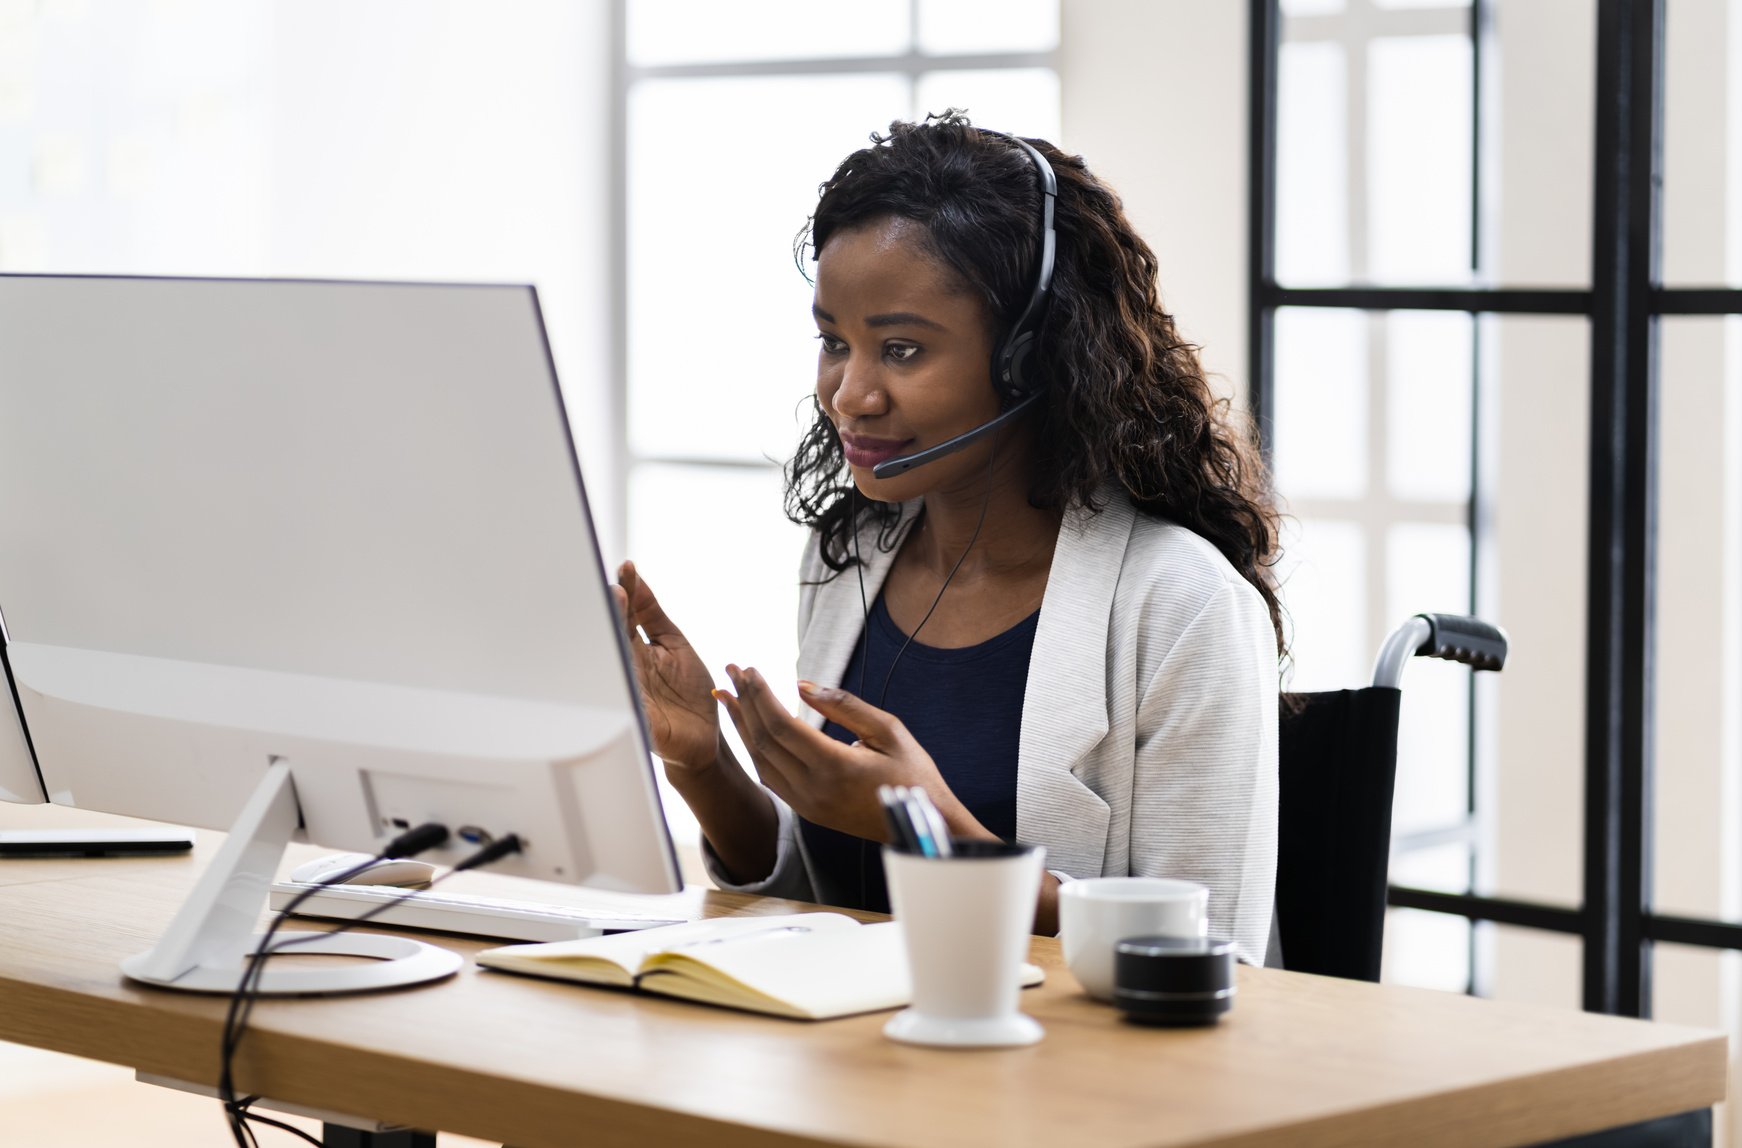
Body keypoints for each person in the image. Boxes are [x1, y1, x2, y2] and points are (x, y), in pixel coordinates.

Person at [612, 112, 1283, 963]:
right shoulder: (845, 558)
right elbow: (826, 906)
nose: (849, 394)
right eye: (833, 343)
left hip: (1076, 1083)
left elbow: (1209, 958)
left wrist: (932, 833)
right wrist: (704, 768)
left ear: (1030, 358)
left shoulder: (1181, 605)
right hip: (860, 1060)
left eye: (900, 349)